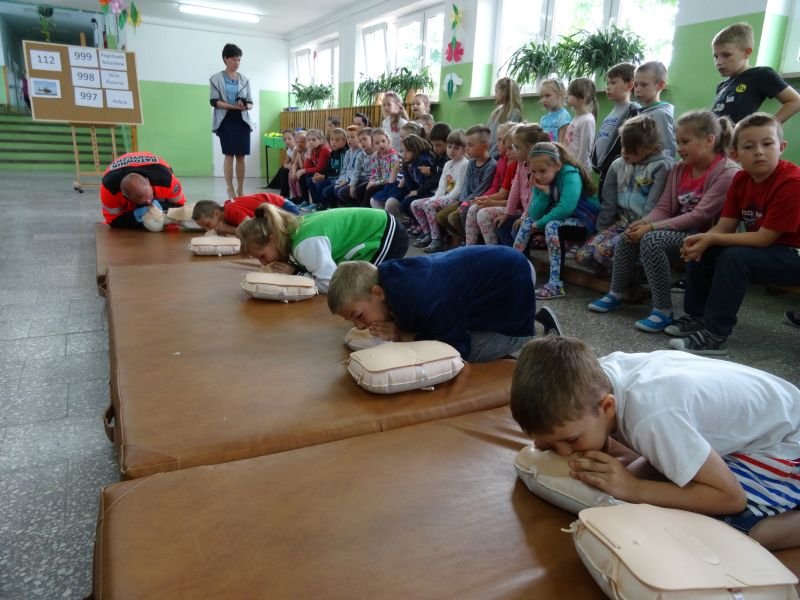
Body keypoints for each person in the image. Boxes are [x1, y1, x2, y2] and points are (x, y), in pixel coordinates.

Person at [510, 336, 800, 552]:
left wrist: (634, 488)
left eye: (571, 440)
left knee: (730, 533)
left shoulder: (652, 416)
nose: (563, 452)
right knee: (638, 481)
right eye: (551, 443)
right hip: (759, 424)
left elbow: (731, 498)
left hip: (785, 445)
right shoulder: (597, 380)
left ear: (607, 407)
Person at [588, 111, 738, 333]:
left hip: (708, 236)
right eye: (678, 142)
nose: (679, 148)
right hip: (680, 231)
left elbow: (699, 216)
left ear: (709, 140)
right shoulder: (679, 169)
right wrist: (642, 223)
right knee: (630, 233)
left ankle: (663, 310)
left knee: (652, 239)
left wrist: (650, 227)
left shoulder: (726, 173)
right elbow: (664, 208)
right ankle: (615, 293)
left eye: (685, 142)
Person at [665, 112, 800, 355]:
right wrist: (703, 240)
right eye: (749, 146)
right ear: (735, 154)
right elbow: (725, 225)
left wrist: (711, 238)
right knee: (704, 246)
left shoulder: (791, 182)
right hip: (770, 249)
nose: (759, 152)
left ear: (781, 147)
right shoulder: (741, 180)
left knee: (735, 257)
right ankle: (697, 316)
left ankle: (714, 334)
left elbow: (764, 238)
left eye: (767, 144)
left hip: (793, 253)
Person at [327, 246, 563, 361]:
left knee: (448, 354)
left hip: (514, 279)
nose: (360, 326)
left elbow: (456, 347)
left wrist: (405, 336)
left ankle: (541, 340)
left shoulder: (420, 296)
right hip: (504, 269)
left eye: (358, 315)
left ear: (377, 293)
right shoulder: (387, 276)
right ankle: (536, 316)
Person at [575, 115, 673, 276]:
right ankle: (618, 273)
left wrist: (642, 230)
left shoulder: (662, 166)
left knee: (601, 253)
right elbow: (609, 202)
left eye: (632, 148)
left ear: (650, 148)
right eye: (623, 146)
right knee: (582, 256)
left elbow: (654, 204)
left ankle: (641, 270)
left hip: (642, 227)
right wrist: (600, 230)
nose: (625, 152)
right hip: (620, 224)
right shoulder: (617, 165)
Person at [238, 204, 408, 294]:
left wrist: (296, 274)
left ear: (272, 238)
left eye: (262, 256)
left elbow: (330, 285)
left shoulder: (305, 244)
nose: (263, 262)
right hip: (376, 227)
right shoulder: (290, 231)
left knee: (357, 288)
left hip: (385, 233)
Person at [512, 142, 600, 300]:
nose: (538, 176)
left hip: (584, 220)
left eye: (543, 171)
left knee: (552, 226)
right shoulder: (539, 178)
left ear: (557, 165)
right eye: (534, 171)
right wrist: (545, 194)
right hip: (561, 219)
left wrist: (540, 223)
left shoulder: (570, 174)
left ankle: (556, 284)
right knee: (527, 222)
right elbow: (534, 213)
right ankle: (513, 271)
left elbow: (566, 207)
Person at [711, 22, 800, 124]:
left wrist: (770, 125)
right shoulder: (722, 86)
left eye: (726, 55)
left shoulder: (761, 75)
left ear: (747, 52)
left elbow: (795, 101)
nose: (718, 62)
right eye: (716, 56)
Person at [438, 125, 497, 248]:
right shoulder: (471, 163)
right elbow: (466, 186)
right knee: (441, 216)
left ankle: (475, 242)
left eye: (470, 145)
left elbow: (482, 189)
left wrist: (466, 203)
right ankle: (466, 237)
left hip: (477, 201)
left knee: (453, 217)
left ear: (484, 146)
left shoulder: (491, 165)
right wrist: (463, 201)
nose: (466, 149)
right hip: (465, 200)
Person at [492, 124, 551, 247]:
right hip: (527, 214)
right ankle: (511, 255)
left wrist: (524, 217)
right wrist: (507, 214)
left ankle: (521, 257)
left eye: (517, 147)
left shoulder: (539, 168)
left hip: (539, 215)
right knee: (500, 225)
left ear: (530, 148)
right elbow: (515, 188)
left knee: (516, 230)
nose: (514, 151)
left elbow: (535, 196)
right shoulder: (521, 163)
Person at [410, 129, 469, 250]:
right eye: (450, 146)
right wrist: (436, 197)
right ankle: (427, 233)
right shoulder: (448, 164)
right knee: (415, 204)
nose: (451, 150)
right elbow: (442, 185)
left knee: (429, 205)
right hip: (444, 197)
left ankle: (436, 239)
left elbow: (458, 190)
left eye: (456, 148)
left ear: (464, 149)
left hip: (455, 199)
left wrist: (439, 199)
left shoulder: (464, 164)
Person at [591, 63, 640, 204]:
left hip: (620, 171)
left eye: (613, 83)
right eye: (607, 83)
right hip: (604, 171)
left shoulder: (633, 110)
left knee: (612, 205)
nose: (608, 87)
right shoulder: (611, 112)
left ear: (629, 85)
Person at [209, 43, 254, 200]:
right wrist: (233, 106)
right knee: (229, 155)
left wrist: (244, 105)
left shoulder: (245, 80)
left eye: (239, 60)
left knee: (241, 156)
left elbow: (250, 103)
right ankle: (230, 189)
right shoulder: (216, 79)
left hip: (242, 120)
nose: (237, 63)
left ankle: (240, 189)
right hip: (226, 119)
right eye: (234, 59)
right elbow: (214, 101)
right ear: (225, 59)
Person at [100, 152, 185, 229]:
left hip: (158, 169)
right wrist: (134, 216)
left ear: (148, 181)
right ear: (125, 196)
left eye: (149, 196)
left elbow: (179, 207)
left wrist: (162, 207)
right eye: (141, 198)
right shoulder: (109, 191)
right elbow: (113, 221)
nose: (149, 202)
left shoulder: (167, 181)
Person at [465, 123, 515, 246]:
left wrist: (490, 201)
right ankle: (469, 248)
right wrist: (482, 198)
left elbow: (512, 198)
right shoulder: (502, 162)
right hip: (505, 202)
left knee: (482, 214)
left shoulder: (515, 165)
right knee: (472, 208)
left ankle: (491, 250)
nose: (497, 144)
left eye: (501, 140)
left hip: (513, 206)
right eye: (498, 139)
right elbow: (495, 187)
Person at [406, 122, 452, 237]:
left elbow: (437, 179)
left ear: (448, 142)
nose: (435, 148)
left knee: (423, 204)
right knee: (411, 203)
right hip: (437, 191)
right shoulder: (439, 156)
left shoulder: (448, 159)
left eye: (438, 145)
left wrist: (419, 191)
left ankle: (435, 236)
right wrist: (431, 171)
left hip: (444, 193)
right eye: (433, 145)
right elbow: (435, 173)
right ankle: (427, 232)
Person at [383, 134, 435, 223]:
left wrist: (417, 192)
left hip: (429, 192)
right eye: (403, 151)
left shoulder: (422, 161)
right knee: (404, 204)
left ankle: (420, 225)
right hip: (420, 190)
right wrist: (405, 168)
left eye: (408, 151)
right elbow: (411, 185)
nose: (404, 154)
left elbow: (427, 184)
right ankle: (417, 223)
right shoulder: (410, 162)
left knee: (407, 204)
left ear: (415, 150)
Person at [191, 193, 299, 235]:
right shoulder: (226, 212)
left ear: (217, 213)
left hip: (285, 208)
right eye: (204, 228)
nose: (208, 230)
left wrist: (229, 229)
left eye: (208, 224)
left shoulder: (231, 210)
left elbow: (251, 229)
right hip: (281, 206)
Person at [634, 61, 676, 159]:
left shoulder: (660, 114)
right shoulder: (641, 112)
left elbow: (667, 150)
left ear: (660, 85)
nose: (637, 89)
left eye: (644, 85)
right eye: (636, 85)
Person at [565, 78, 596, 171]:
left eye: (569, 94)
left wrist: (577, 169)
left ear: (581, 98)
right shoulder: (577, 117)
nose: (566, 96)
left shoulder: (587, 120)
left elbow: (584, 151)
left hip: (579, 169)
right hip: (572, 166)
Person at [364, 128, 400, 208]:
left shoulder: (393, 157)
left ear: (388, 141)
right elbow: (374, 174)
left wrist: (374, 183)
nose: (381, 144)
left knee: (370, 191)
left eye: (383, 141)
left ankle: (365, 211)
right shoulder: (375, 156)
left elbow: (389, 178)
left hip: (389, 183)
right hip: (380, 181)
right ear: (373, 145)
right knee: (360, 190)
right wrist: (371, 182)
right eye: (377, 143)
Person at [487, 77, 524, 156]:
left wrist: (490, 156)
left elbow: (508, 139)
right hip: (490, 154)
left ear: (504, 92)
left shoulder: (514, 113)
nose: (494, 96)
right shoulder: (496, 112)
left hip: (500, 155)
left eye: (496, 92)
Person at [295, 129, 330, 211]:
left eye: (314, 140)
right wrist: (309, 152)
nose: (311, 142)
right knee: (304, 176)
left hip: (325, 174)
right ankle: (306, 201)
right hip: (318, 172)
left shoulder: (324, 150)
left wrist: (303, 170)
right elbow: (307, 166)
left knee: (310, 178)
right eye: (309, 140)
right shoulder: (314, 150)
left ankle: (317, 203)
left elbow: (320, 168)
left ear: (321, 140)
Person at [314, 127, 347, 210]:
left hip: (340, 179)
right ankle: (322, 204)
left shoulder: (344, 154)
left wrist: (325, 177)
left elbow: (341, 173)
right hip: (332, 177)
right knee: (315, 181)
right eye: (332, 140)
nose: (333, 142)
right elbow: (328, 169)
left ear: (344, 141)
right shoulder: (332, 153)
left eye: (337, 140)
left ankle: (333, 206)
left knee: (324, 188)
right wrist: (321, 175)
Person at [340, 127, 373, 207]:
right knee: (343, 192)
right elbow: (356, 171)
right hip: (362, 179)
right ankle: (354, 207)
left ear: (372, 139)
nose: (362, 142)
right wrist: (352, 185)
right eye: (360, 140)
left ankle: (363, 209)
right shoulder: (361, 155)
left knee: (359, 191)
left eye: (364, 139)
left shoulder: (377, 154)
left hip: (372, 180)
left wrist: (372, 181)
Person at [331, 125, 362, 208]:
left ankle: (353, 207)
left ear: (359, 139)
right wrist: (341, 179)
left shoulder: (361, 153)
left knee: (339, 191)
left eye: (352, 137)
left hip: (355, 179)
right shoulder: (348, 152)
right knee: (332, 188)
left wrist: (346, 180)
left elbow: (357, 171)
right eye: (348, 137)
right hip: (346, 178)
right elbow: (344, 169)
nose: (349, 140)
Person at [539, 79, 571, 143]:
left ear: (559, 95)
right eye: (542, 96)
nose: (543, 100)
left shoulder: (563, 116)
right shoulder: (544, 119)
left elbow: (562, 145)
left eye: (547, 95)